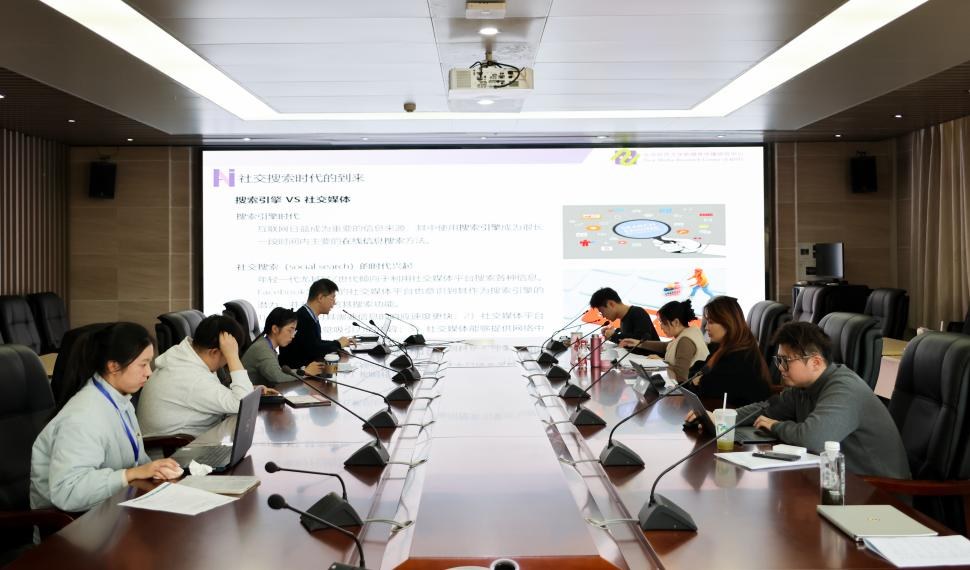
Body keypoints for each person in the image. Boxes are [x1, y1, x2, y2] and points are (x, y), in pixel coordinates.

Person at [31, 323, 182, 512]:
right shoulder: (83, 417)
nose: (149, 372)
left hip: (114, 506)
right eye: (143, 364)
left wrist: (156, 469)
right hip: (71, 522)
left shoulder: (120, 400)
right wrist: (130, 474)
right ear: (113, 366)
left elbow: (135, 460)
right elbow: (67, 492)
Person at [734, 321, 910, 479]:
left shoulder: (844, 388)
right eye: (778, 360)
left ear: (816, 362)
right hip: (837, 478)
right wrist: (725, 418)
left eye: (785, 360)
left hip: (878, 491)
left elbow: (812, 439)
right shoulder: (803, 387)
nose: (780, 367)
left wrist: (775, 426)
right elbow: (766, 408)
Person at [137, 315, 275, 437]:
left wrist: (250, 391)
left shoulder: (185, 358)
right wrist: (233, 356)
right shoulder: (192, 376)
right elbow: (242, 405)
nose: (227, 361)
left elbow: (209, 392)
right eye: (228, 355)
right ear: (214, 352)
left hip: (195, 440)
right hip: (175, 451)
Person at [683, 296, 771, 407]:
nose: (706, 328)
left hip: (743, 415)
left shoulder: (740, 355)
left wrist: (698, 381)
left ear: (727, 323)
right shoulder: (722, 346)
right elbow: (697, 370)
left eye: (711, 322)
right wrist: (697, 380)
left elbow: (708, 387)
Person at [619, 299, 709, 380]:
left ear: (676, 322)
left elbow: (680, 376)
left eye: (663, 323)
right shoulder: (688, 333)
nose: (661, 327)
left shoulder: (686, 341)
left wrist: (661, 362)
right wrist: (638, 343)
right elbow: (666, 346)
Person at [279, 278, 356, 369]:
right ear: (320, 298)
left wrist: (338, 343)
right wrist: (338, 344)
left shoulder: (309, 315)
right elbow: (314, 350)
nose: (334, 303)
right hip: (296, 373)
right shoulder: (302, 318)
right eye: (332, 298)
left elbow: (314, 343)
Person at [242, 307, 325, 386]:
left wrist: (303, 371)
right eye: (290, 330)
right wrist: (305, 372)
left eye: (294, 331)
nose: (293, 336)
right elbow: (277, 376)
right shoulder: (262, 349)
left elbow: (279, 372)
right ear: (275, 329)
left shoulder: (266, 345)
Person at [588, 287, 659, 345]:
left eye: (602, 312)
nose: (603, 316)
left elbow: (641, 341)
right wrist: (611, 336)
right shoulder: (623, 319)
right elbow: (627, 341)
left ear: (611, 304)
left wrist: (613, 336)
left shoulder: (638, 312)